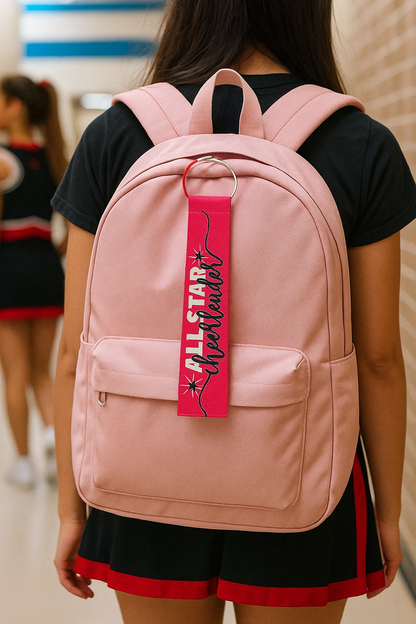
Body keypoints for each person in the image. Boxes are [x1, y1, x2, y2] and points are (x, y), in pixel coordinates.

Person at [52, 1, 416, 622]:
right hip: (303, 470)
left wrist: (70, 509)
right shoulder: (360, 143)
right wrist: (386, 511)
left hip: (142, 469)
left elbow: (73, 352)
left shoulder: (114, 135)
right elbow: (379, 358)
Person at [0, 75, 67, 488]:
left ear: (15, 106)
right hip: (46, 270)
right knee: (43, 372)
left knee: (15, 374)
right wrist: (50, 252)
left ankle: (24, 464)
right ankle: (53, 443)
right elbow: (69, 229)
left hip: (8, 271)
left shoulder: (3, 159)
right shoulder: (54, 157)